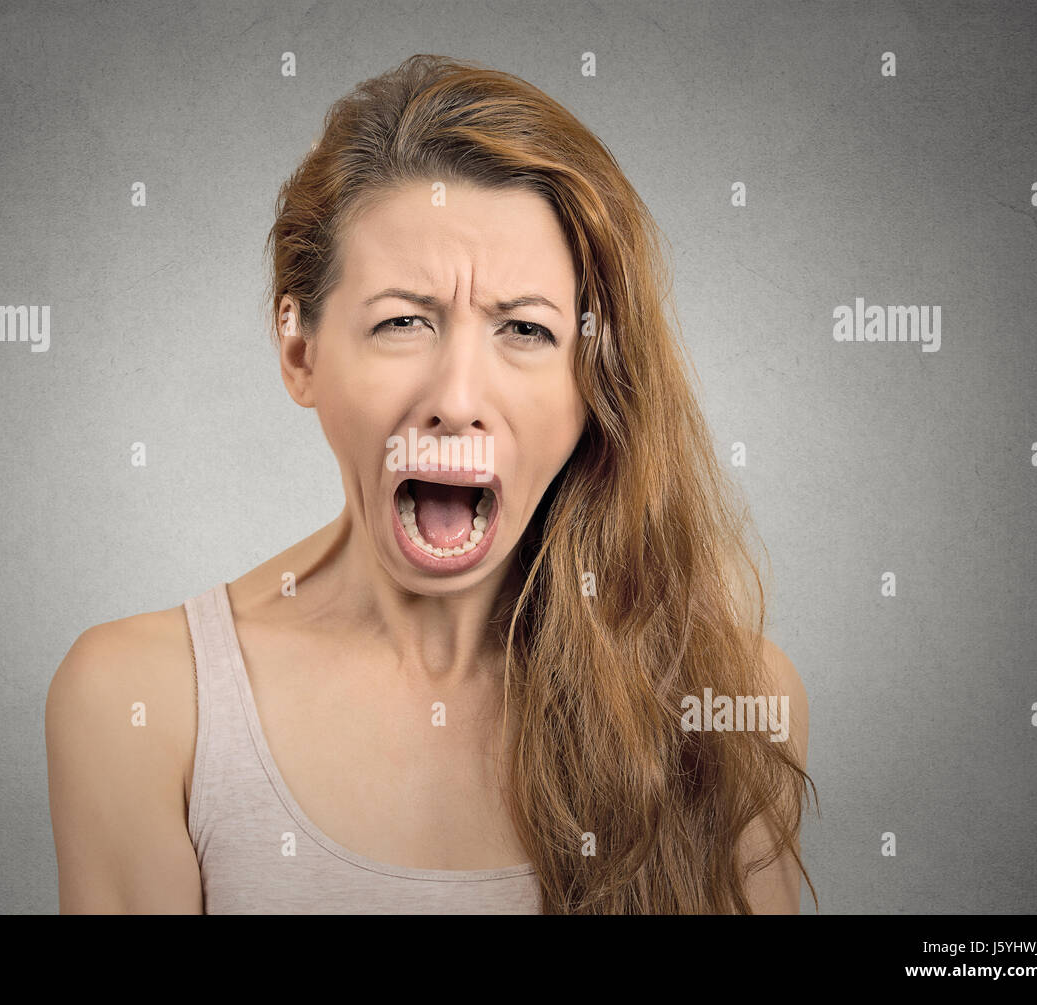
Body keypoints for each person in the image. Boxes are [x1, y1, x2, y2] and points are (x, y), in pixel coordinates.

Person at [45, 53, 816, 914]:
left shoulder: (729, 697)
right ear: (301, 352)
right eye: (403, 321)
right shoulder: (142, 703)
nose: (456, 399)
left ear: (594, 380)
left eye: (525, 328)